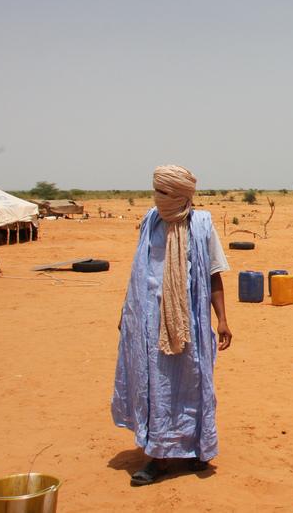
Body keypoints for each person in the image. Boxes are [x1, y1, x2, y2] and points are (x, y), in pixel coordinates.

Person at [111, 165, 232, 486]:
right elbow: (138, 269)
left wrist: (222, 319)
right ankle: (158, 456)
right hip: (149, 323)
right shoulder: (150, 221)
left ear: (180, 195)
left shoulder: (202, 225)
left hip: (189, 320)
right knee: (157, 387)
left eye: (164, 193)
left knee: (193, 383)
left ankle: (196, 448)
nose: (157, 198)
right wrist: (128, 312)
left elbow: (214, 274)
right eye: (156, 192)